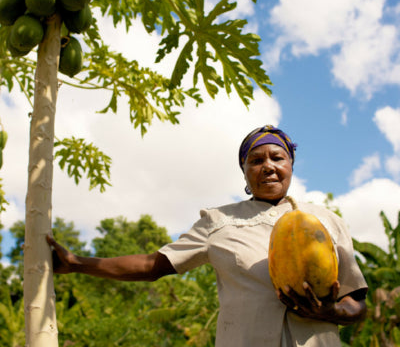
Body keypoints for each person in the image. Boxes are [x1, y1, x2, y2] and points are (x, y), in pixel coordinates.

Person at [47, 124, 368, 347]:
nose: (267, 166)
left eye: (277, 157)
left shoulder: (327, 221)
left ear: (291, 164)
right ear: (244, 170)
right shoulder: (218, 221)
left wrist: (332, 312)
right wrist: (76, 262)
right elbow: (152, 266)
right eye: (256, 160)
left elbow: (357, 301)